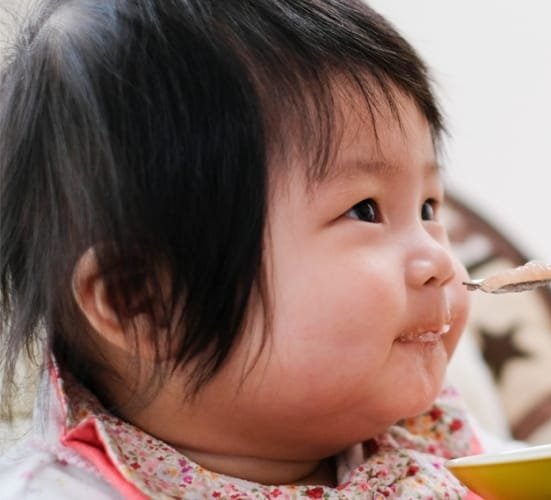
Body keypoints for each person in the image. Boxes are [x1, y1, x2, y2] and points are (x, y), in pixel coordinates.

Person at [0, 0, 481, 496]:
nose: (440, 262)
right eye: (363, 210)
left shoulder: (433, 437)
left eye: (428, 208)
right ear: (143, 301)